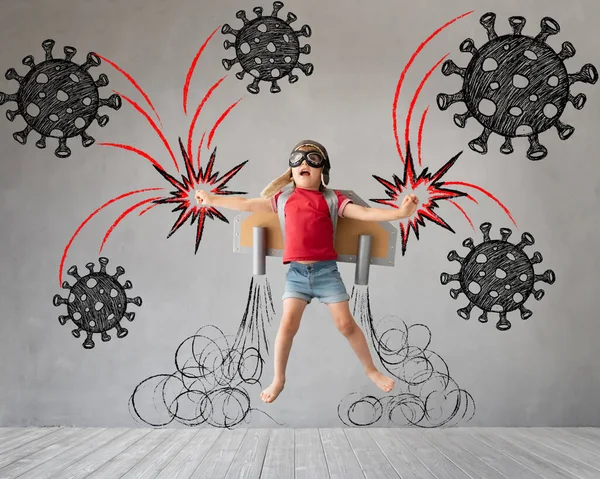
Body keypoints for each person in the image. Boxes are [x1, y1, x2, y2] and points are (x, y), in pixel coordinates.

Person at [195, 140, 419, 403]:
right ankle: (278, 378)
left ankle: (371, 370)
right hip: (297, 275)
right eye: (298, 159)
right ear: (290, 171)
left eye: (312, 159)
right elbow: (247, 204)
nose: (304, 164)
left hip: (327, 273)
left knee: (346, 324)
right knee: (287, 325)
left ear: (322, 170)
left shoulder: (333, 200)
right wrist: (212, 199)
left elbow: (365, 213)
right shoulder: (283, 198)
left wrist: (401, 213)